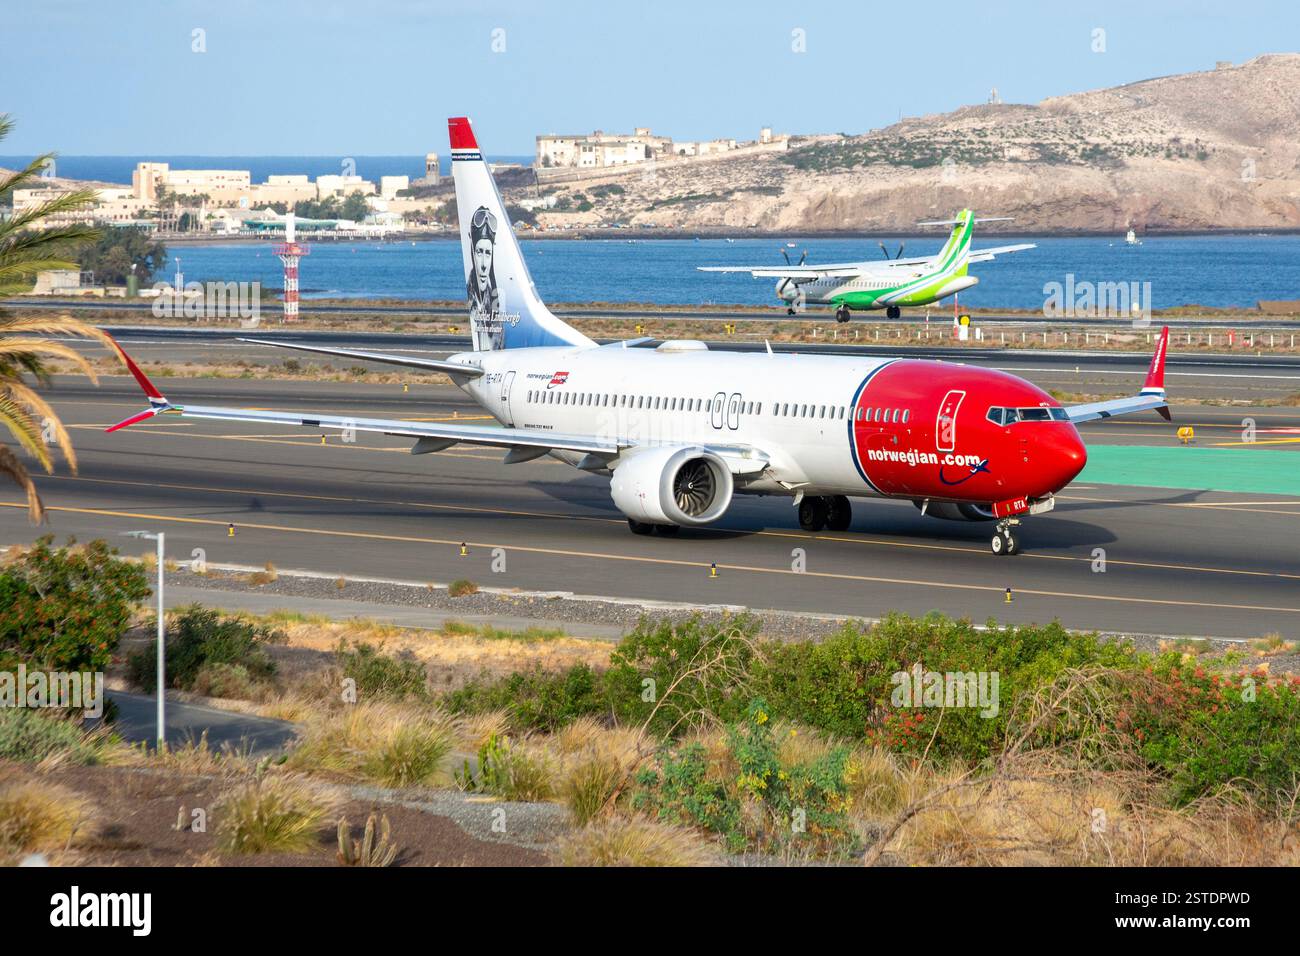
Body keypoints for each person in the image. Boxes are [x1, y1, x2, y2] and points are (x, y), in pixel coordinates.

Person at [466, 205, 504, 349]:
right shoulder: (473, 300)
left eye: (488, 253)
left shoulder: (496, 303)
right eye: (479, 252)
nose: (483, 265)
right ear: (472, 252)